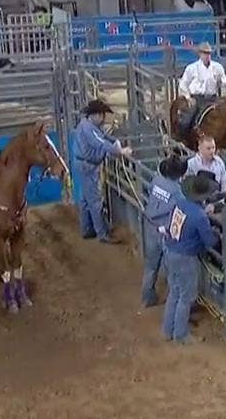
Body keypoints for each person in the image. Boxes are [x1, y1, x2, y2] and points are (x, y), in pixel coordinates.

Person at [162, 176, 220, 344]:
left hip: (170, 250)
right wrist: (216, 233)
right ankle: (180, 335)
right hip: (185, 257)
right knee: (185, 297)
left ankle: (168, 330)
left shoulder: (179, 203)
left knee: (174, 292)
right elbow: (210, 241)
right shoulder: (200, 216)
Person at [71, 99, 132, 244]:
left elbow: (103, 137)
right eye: (103, 115)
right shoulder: (89, 129)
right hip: (88, 166)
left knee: (85, 199)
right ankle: (102, 233)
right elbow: (101, 142)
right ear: (96, 115)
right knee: (95, 201)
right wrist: (120, 151)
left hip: (83, 163)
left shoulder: (87, 125)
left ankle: (87, 229)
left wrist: (114, 141)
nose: (104, 118)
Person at [141, 156, 188, 308]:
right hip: (166, 232)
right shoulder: (178, 192)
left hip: (151, 225)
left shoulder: (157, 180)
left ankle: (147, 298)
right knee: (172, 271)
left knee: (151, 266)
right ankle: (173, 304)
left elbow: (149, 191)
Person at [177, 42, 226, 136]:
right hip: (197, 98)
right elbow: (183, 84)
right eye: (205, 53)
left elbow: (225, 82)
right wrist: (188, 97)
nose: (207, 56)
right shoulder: (192, 68)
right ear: (200, 54)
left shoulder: (217, 67)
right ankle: (183, 136)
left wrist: (221, 82)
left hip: (213, 98)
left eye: (208, 53)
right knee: (187, 120)